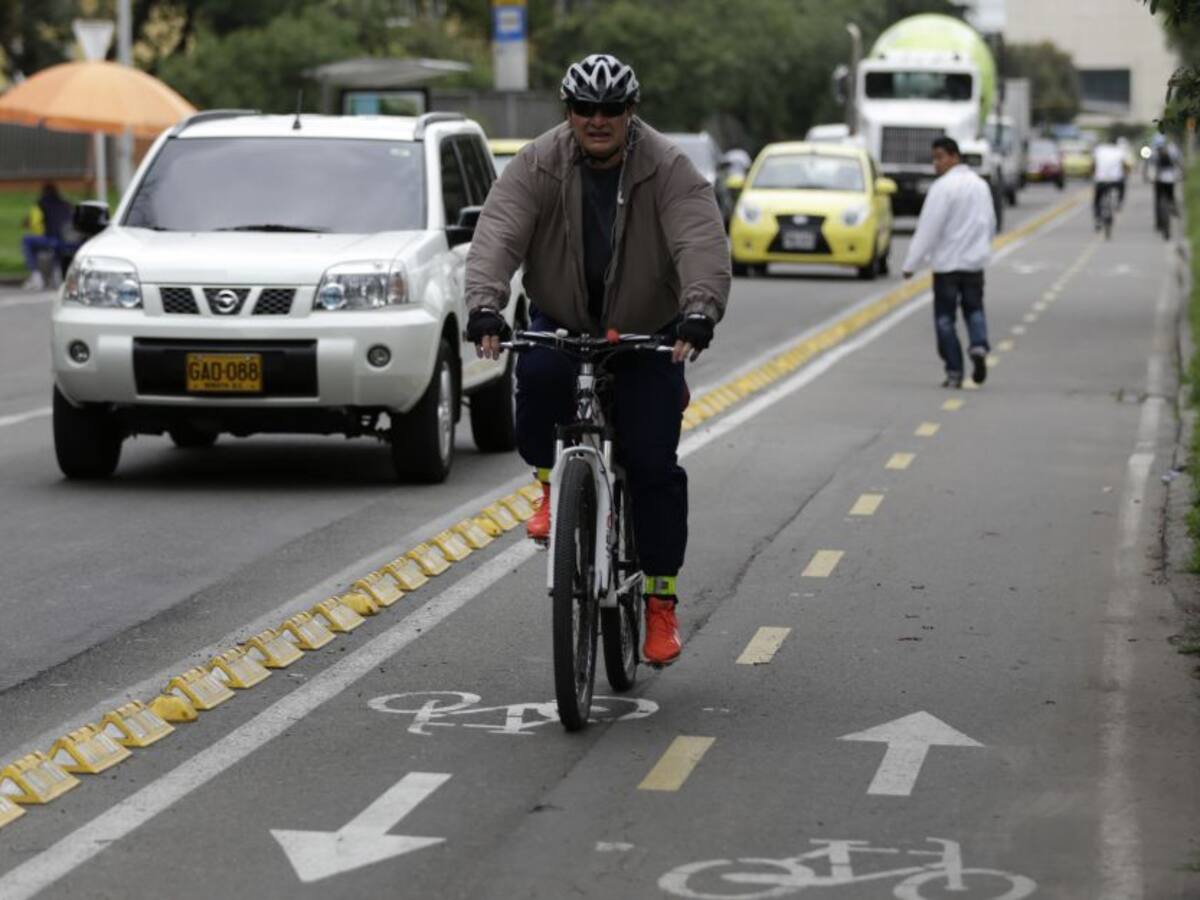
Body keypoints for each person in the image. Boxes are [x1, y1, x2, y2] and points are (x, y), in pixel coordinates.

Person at [463, 53, 731, 666]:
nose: (598, 120)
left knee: (652, 463)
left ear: (631, 112)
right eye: (586, 109)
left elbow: (698, 239)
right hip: (562, 318)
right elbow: (499, 233)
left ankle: (660, 602)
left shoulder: (667, 167)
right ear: (570, 112)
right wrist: (485, 306)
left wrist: (699, 310)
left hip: (646, 329)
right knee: (534, 372)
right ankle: (549, 487)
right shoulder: (537, 163)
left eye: (612, 109)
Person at [902, 136, 996, 389]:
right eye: (934, 159)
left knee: (945, 319)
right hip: (973, 263)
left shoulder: (942, 188)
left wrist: (911, 263)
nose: (936, 164)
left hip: (947, 265)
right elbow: (989, 222)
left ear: (955, 157)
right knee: (974, 309)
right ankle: (978, 345)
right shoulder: (980, 186)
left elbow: (928, 228)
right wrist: (983, 249)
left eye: (940, 158)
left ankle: (954, 371)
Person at [21, 183, 75, 290]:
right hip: (70, 243)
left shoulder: (41, 203)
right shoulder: (67, 204)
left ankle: (36, 276)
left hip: (52, 240)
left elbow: (33, 222)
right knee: (59, 246)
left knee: (27, 240)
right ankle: (58, 274)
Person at [1092, 136, 1127, 229]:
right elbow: (1124, 165)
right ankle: (1119, 202)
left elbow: (1094, 164)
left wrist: (1093, 173)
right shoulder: (1119, 151)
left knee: (1097, 200)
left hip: (1101, 180)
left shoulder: (1099, 150)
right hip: (1115, 180)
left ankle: (1097, 219)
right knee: (1122, 185)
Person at [1150, 135, 1182, 228]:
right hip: (1167, 178)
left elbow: (1150, 166)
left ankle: (1159, 223)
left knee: (1158, 199)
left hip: (1161, 178)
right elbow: (1179, 162)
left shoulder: (1154, 151)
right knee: (1168, 196)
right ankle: (1172, 208)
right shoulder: (1172, 150)